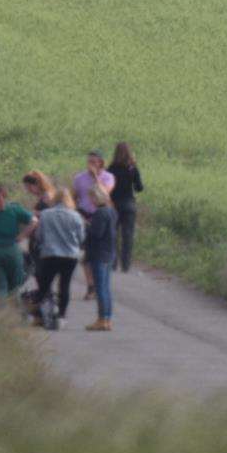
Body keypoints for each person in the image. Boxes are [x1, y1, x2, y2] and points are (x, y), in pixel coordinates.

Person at [32, 189, 85, 329]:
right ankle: (61, 316)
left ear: (54, 199)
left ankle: (40, 315)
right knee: (64, 285)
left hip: (50, 254)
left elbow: (39, 235)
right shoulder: (76, 216)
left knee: (44, 285)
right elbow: (81, 238)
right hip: (70, 256)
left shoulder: (45, 214)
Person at [84, 185, 118, 332]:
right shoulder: (111, 211)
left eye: (91, 197)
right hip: (109, 252)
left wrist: (86, 225)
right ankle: (107, 318)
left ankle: (102, 319)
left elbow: (96, 233)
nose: (90, 201)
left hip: (99, 253)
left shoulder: (100, 213)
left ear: (96, 197)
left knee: (100, 289)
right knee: (106, 288)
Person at [108, 141, 143, 273]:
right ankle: (126, 265)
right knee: (127, 236)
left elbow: (107, 188)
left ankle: (113, 263)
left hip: (114, 205)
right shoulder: (132, 168)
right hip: (129, 205)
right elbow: (139, 188)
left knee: (113, 234)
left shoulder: (111, 169)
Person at [73, 151, 115, 216]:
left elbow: (104, 194)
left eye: (93, 162)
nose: (90, 164)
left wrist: (95, 176)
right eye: (89, 162)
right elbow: (74, 197)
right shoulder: (79, 178)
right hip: (83, 212)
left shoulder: (108, 177)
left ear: (100, 163)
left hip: (100, 213)